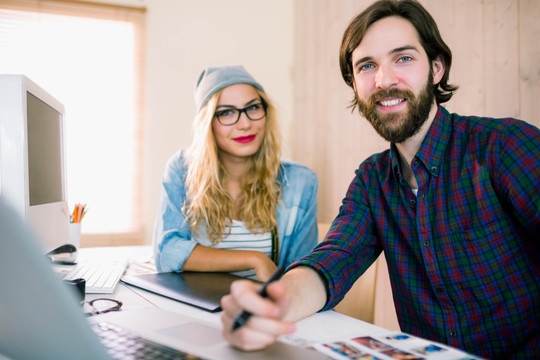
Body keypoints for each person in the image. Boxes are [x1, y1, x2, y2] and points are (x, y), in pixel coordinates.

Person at [220, 1, 540, 358]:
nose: (384, 80)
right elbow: (332, 260)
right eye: (367, 66)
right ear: (355, 84)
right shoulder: (373, 180)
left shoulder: (505, 146)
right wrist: (273, 305)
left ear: (436, 68)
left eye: (403, 58)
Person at [153, 65, 318, 282]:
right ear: (208, 124)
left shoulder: (300, 182)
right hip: (194, 308)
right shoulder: (182, 169)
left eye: (253, 108)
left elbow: (304, 274)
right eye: (227, 112)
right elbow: (167, 253)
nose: (245, 123)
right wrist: (254, 259)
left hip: (260, 310)